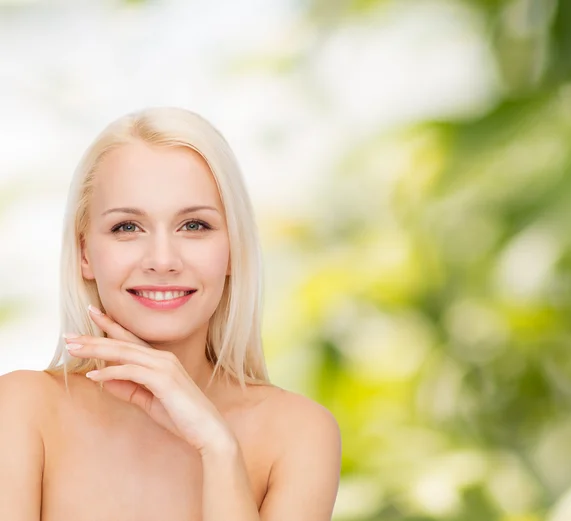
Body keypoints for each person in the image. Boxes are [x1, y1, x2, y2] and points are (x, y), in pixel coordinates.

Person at [0, 107, 342, 521]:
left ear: (233, 249)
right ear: (86, 253)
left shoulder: (299, 433)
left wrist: (218, 448)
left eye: (194, 226)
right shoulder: (22, 409)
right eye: (128, 227)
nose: (162, 261)